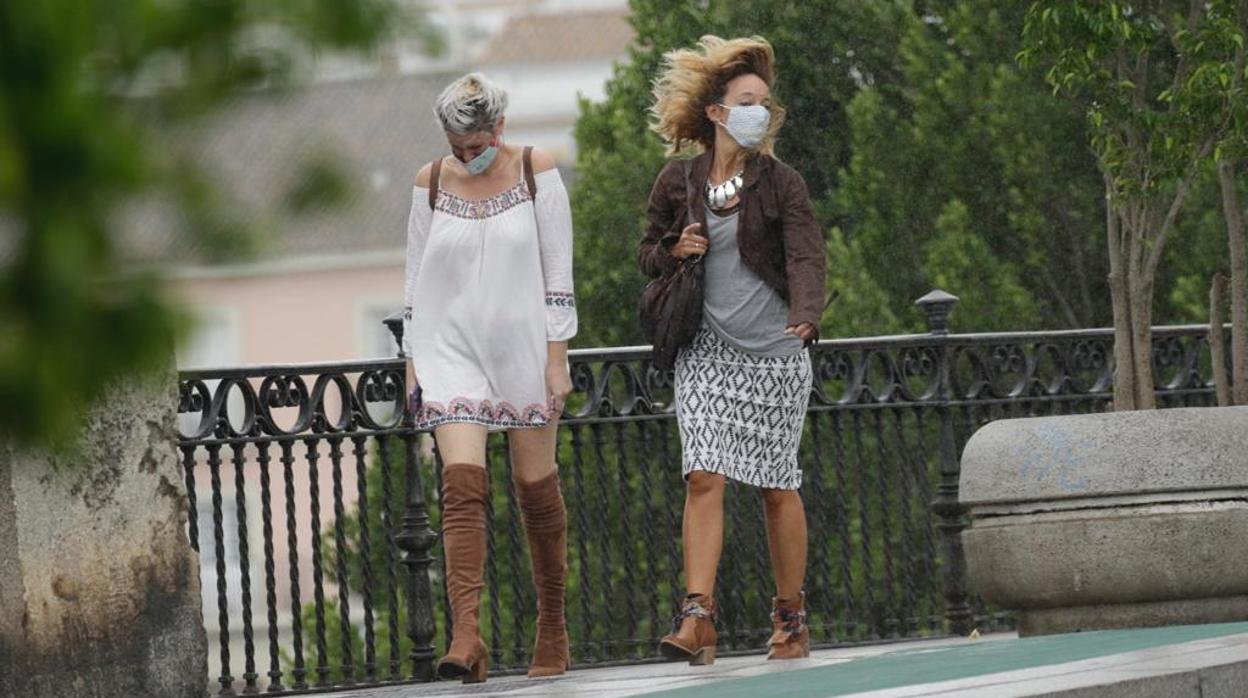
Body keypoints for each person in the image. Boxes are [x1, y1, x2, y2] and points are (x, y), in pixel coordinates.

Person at [638, 35, 826, 665]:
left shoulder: (782, 183)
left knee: (776, 485)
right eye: (748, 102)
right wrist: (674, 250)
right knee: (703, 474)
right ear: (717, 113)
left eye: (766, 104)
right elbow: (647, 253)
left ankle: (790, 618)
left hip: (775, 353)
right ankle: (697, 617)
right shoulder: (679, 181)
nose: (760, 113)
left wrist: (806, 314)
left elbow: (805, 253)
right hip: (706, 349)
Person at [402, 72, 577, 683]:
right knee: (461, 484)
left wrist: (556, 361)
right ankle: (467, 635)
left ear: (498, 129)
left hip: (524, 349)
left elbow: (559, 277)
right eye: (458, 147)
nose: (467, 157)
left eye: (477, 146)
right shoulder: (428, 185)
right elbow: (415, 282)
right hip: (451, 351)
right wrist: (413, 363)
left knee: (535, 486)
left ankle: (551, 625)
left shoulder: (537, 170)